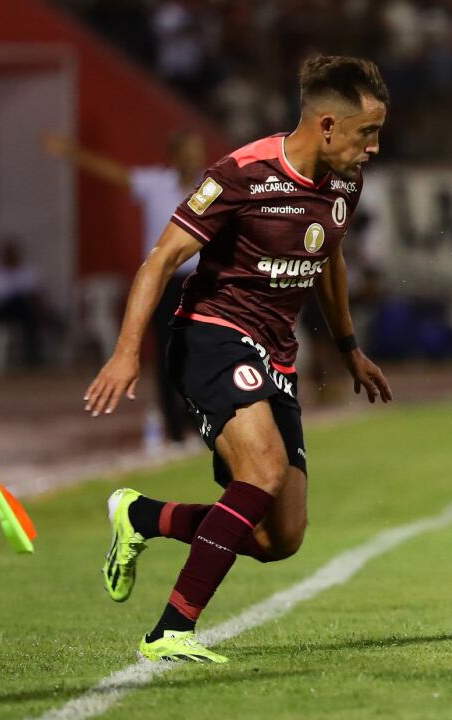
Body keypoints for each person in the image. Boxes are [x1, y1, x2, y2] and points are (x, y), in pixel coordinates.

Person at [83, 55, 393, 663]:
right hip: (211, 335)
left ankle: (142, 516)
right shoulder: (241, 174)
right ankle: (170, 630)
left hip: (277, 352)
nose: (374, 148)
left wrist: (350, 346)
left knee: (280, 537)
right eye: (367, 134)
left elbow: (328, 258)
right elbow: (162, 259)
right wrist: (126, 355)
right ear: (327, 126)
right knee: (264, 469)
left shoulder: (344, 183)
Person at [46, 129, 208, 442]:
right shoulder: (155, 183)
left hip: (201, 280)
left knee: (201, 351)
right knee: (167, 352)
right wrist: (70, 151)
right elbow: (113, 173)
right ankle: (174, 428)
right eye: (189, 150)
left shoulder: (209, 187)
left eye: (198, 150)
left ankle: (198, 420)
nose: (195, 157)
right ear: (174, 155)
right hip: (164, 280)